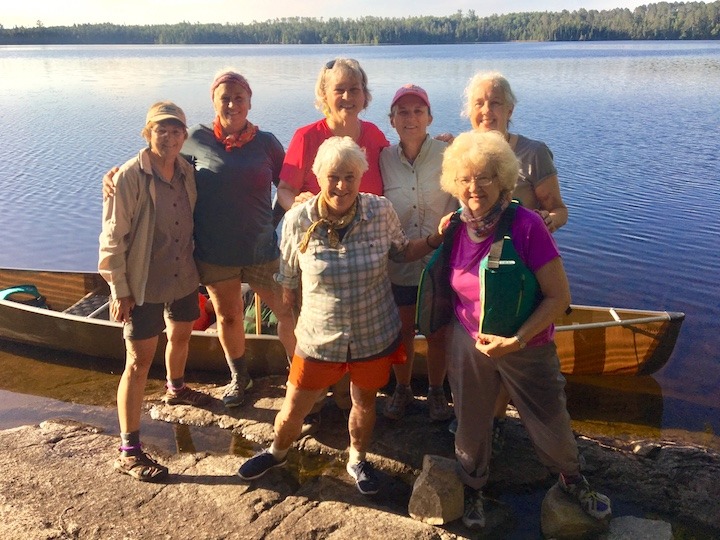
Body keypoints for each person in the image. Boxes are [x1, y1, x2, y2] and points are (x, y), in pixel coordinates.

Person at [237, 137, 444, 495]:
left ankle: (357, 458)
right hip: (319, 337)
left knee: (364, 403)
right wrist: (292, 315)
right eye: (333, 176)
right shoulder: (298, 219)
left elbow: (401, 251)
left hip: (373, 333)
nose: (341, 186)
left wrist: (435, 239)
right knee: (293, 406)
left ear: (361, 176)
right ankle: (277, 450)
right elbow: (287, 277)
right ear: (318, 176)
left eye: (350, 176)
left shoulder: (379, 212)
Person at [428, 130, 610, 529]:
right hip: (469, 338)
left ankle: (572, 478)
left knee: (549, 417)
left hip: (526, 342)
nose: (474, 188)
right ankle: (474, 485)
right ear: (454, 183)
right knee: (471, 417)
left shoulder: (526, 224)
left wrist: (518, 339)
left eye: (485, 177)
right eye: (465, 179)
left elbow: (558, 297)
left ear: (504, 179)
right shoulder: (457, 225)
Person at [104, 69, 297, 408]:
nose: (232, 104)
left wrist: (274, 219)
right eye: (225, 97)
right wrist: (117, 174)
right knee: (228, 315)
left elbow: (288, 187)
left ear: (250, 102)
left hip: (261, 249)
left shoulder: (266, 143)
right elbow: (158, 152)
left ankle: (300, 375)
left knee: (287, 311)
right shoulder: (194, 137)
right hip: (213, 252)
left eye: (239, 97)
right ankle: (240, 376)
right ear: (213, 101)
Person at [445, 71, 571, 448]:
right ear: (469, 111)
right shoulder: (461, 152)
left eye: (495, 102)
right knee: (484, 359)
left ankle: (552, 456)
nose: (487, 110)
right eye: (479, 103)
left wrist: (546, 222)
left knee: (519, 352)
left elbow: (559, 210)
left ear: (509, 109)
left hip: (526, 271)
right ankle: (489, 423)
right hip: (480, 278)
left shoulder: (533, 153)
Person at [99, 101, 210, 482]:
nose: (170, 136)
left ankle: (176, 388)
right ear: (148, 133)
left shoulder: (186, 170)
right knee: (137, 362)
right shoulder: (130, 176)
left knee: (181, 333)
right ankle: (128, 451)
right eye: (161, 129)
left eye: (177, 130)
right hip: (143, 283)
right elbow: (112, 238)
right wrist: (119, 290)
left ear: (184, 136)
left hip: (182, 275)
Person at [276, 57, 389, 421]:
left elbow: (405, 162)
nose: (347, 96)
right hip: (318, 253)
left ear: (364, 94)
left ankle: (344, 391)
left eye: (354, 88)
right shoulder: (307, 137)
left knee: (355, 322)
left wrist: (443, 145)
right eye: (338, 89)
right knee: (311, 323)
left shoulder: (373, 135)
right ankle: (312, 388)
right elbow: (285, 189)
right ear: (324, 94)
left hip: (363, 251)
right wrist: (298, 205)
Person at [379, 84, 457, 422]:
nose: (410, 118)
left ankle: (438, 391)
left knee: (438, 333)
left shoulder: (450, 155)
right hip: (400, 263)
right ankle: (404, 388)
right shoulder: (382, 159)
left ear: (429, 117)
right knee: (404, 332)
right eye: (403, 112)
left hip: (441, 264)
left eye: (417, 111)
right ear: (392, 120)